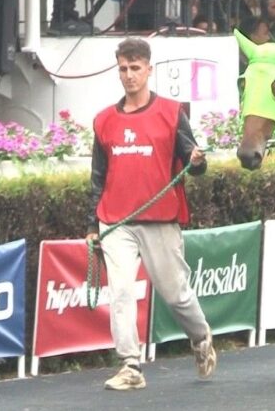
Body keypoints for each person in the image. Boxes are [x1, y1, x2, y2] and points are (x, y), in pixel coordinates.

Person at [86, 38, 217, 391]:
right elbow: (98, 176)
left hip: (161, 218)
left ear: (149, 70)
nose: (129, 76)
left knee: (176, 294)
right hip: (115, 221)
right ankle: (130, 364)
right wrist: (91, 225)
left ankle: (201, 337)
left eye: (135, 68)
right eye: (123, 69)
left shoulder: (172, 113)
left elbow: (194, 165)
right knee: (122, 293)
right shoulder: (104, 121)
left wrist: (198, 162)